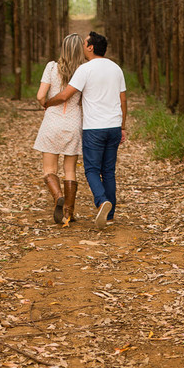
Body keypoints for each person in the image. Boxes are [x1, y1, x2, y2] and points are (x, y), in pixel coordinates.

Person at [43, 31, 126, 230]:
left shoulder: (85, 69)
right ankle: (109, 216)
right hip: (114, 126)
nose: (82, 46)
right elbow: (123, 100)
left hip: (94, 128)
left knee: (91, 170)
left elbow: (65, 95)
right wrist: (123, 126)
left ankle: (102, 201)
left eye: (84, 43)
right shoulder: (116, 68)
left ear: (90, 47)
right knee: (108, 171)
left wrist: (47, 103)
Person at [32, 33, 84, 226]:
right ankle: (68, 213)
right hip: (73, 123)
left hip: (52, 123)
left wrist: (45, 104)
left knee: (49, 170)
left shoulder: (52, 67)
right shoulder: (84, 70)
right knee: (70, 170)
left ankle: (58, 196)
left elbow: (40, 96)